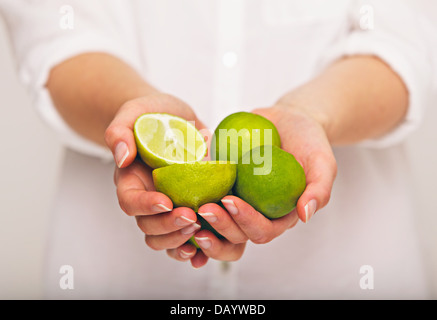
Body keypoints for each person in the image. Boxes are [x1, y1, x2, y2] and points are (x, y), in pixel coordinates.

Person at [1, 0, 436, 299]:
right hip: (116, 273)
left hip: (342, 269)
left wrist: (312, 113)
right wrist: (129, 111)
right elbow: (59, 37)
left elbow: (404, 42)